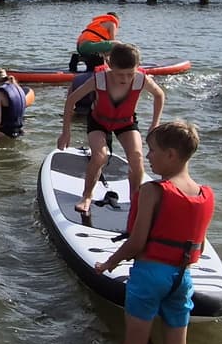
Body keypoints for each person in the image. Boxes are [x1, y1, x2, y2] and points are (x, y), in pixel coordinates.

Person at [91, 121, 213, 344]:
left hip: (149, 276)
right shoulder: (204, 194)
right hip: (182, 278)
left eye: (153, 150)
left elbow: (136, 243)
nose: (148, 156)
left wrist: (108, 264)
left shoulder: (152, 191)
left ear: (171, 154)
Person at [58, 42, 166, 217]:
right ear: (109, 65)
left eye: (130, 74)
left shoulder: (141, 79)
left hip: (125, 122)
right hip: (99, 121)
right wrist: (66, 132)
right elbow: (71, 101)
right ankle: (86, 196)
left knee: (137, 158)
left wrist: (155, 123)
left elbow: (159, 95)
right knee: (99, 156)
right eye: (119, 74)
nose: (124, 79)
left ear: (138, 68)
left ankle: (134, 200)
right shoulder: (98, 79)